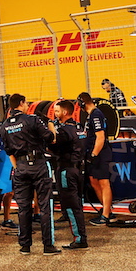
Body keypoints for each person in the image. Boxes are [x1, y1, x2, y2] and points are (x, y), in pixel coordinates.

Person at [0, 94, 59, 255]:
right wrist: (51, 124)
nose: (27, 106)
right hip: (38, 164)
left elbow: (9, 151)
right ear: (20, 104)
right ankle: (48, 246)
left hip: (20, 167)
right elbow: (51, 138)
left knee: (23, 208)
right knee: (45, 205)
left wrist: (18, 167)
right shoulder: (32, 120)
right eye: (26, 103)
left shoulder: (3, 127)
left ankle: (25, 245)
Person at [50, 100, 88, 250]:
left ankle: (80, 239)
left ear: (65, 112)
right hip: (79, 170)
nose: (55, 114)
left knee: (72, 207)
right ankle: (81, 237)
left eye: (57, 111)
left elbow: (52, 143)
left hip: (67, 171)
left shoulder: (64, 131)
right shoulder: (79, 127)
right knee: (78, 205)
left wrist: (50, 128)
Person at [79, 93, 113, 225]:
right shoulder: (91, 115)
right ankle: (106, 209)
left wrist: (94, 154)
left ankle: (106, 215)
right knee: (93, 181)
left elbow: (100, 137)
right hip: (93, 153)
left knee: (104, 183)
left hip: (100, 153)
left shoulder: (96, 114)